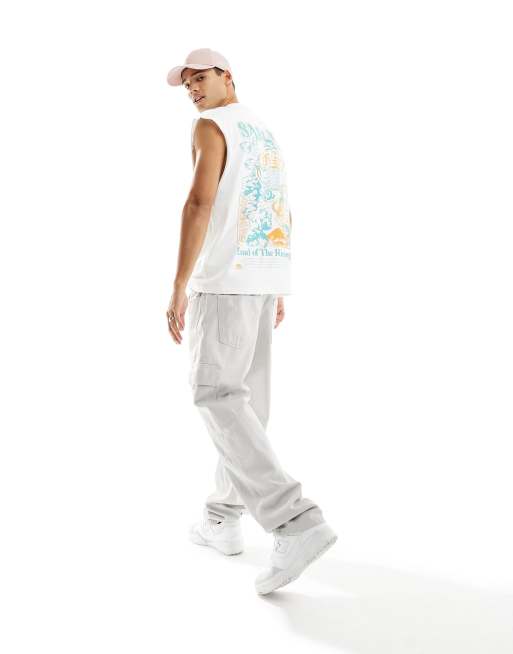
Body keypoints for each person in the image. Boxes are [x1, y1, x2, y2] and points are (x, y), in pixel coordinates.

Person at [165, 48, 337, 594]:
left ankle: (295, 521)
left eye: (200, 78)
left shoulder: (211, 126)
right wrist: (276, 280)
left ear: (227, 77)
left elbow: (199, 204)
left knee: (216, 395)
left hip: (226, 281)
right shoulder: (261, 130)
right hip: (260, 278)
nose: (193, 90)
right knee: (246, 407)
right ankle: (222, 516)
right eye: (187, 85)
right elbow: (279, 206)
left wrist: (179, 285)